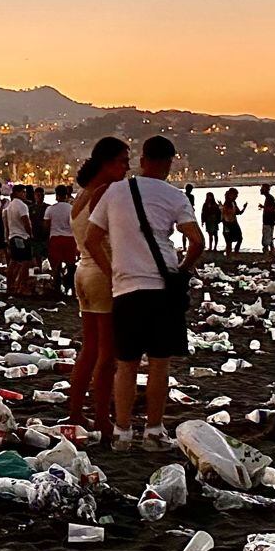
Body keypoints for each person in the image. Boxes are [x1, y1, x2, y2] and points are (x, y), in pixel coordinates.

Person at [84, 134, 204, 445]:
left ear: (142, 160)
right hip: (162, 288)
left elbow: (91, 239)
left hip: (126, 290)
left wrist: (113, 272)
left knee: (126, 364)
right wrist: (183, 270)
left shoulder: (114, 192)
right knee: (159, 363)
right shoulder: (176, 196)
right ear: (169, 163)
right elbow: (197, 241)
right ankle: (153, 431)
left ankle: (122, 432)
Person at [68, 137, 130, 437]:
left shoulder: (81, 196)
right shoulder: (106, 191)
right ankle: (104, 419)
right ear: (106, 163)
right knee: (108, 354)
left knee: (89, 349)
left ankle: (76, 412)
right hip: (100, 274)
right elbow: (105, 239)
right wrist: (115, 274)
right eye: (122, 162)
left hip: (82, 273)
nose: (126, 169)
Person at [44, 183, 77, 296]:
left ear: (56, 196)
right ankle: (72, 288)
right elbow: (75, 225)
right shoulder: (72, 209)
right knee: (71, 265)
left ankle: (57, 288)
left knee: (56, 266)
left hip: (55, 238)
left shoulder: (50, 209)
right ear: (67, 195)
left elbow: (46, 226)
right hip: (70, 239)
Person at [2, 182, 34, 293]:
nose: (25, 194)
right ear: (17, 193)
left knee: (14, 261)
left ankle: (10, 285)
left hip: (12, 236)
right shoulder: (21, 205)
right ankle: (20, 285)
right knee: (25, 262)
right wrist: (31, 233)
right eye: (23, 192)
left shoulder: (10, 206)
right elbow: (26, 221)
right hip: (21, 237)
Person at [221, 188, 244, 258]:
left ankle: (235, 254)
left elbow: (238, 212)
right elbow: (224, 215)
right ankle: (229, 256)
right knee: (228, 242)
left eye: (236, 195)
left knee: (240, 239)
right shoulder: (226, 203)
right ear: (230, 195)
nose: (236, 197)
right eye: (235, 195)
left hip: (234, 223)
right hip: (227, 224)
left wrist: (244, 208)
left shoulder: (233, 203)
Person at [259, 185, 275, 252]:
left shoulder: (270, 198)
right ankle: (272, 253)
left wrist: (264, 207)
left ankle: (267, 254)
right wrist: (263, 207)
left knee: (266, 240)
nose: (260, 190)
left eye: (262, 189)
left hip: (268, 221)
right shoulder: (269, 198)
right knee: (269, 238)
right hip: (270, 221)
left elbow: (271, 209)